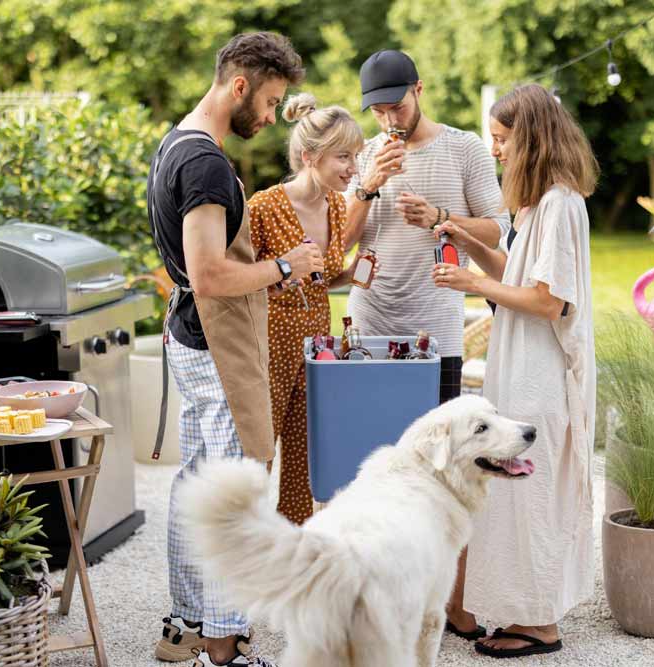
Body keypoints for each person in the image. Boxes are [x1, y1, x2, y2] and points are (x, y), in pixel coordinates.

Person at [146, 32, 321, 667]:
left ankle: (187, 627)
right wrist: (287, 265)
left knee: (197, 483)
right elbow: (211, 274)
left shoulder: (177, 141)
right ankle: (224, 648)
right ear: (239, 85)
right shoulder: (206, 165)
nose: (272, 117)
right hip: (217, 343)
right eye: (272, 102)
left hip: (191, 338)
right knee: (233, 493)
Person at [433, 83, 598, 658]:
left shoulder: (561, 203)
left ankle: (542, 625)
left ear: (530, 138)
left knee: (532, 492)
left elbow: (550, 300)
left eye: (502, 140)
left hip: (541, 373)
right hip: (519, 366)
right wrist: (464, 242)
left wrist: (474, 285)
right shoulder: (535, 206)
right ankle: (522, 612)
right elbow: (517, 274)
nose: (495, 150)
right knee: (514, 490)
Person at [345, 49, 510, 406]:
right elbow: (341, 244)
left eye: (397, 108)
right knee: (370, 437)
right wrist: (368, 185)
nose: (389, 121)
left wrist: (439, 216)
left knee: (436, 447)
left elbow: (498, 230)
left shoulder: (464, 148)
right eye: (378, 112)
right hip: (370, 324)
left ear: (418, 89)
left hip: (436, 329)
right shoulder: (360, 156)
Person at [248, 93, 368, 525]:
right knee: (256, 457)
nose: (353, 168)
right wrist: (281, 272)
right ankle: (246, 555)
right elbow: (238, 282)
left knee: (304, 459)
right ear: (308, 156)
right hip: (268, 349)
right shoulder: (263, 207)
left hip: (316, 349)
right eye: (343, 156)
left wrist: (350, 273)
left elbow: (321, 279)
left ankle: (293, 554)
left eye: (355, 156)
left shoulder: (337, 206)